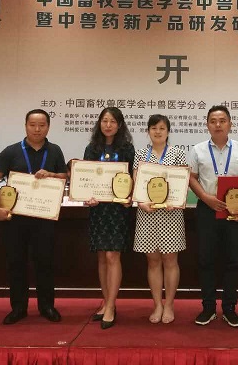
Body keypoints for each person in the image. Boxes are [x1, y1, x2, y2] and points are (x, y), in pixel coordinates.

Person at [0, 109, 67, 324]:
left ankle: (47, 306)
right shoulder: (12, 151)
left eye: (42, 125)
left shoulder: (55, 150)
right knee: (16, 262)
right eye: (32, 125)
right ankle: (18, 307)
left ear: (48, 127)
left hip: (44, 217)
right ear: (25, 126)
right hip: (16, 219)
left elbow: (64, 177)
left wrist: (51, 174)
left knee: (45, 262)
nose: (37, 129)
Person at [188, 105, 238, 327]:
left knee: (232, 260)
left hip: (233, 210)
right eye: (213, 121)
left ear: (230, 124)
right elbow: (192, 177)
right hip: (207, 209)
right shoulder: (198, 150)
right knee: (206, 259)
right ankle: (208, 307)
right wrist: (205, 197)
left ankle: (229, 308)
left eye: (222, 120)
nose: (218, 125)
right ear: (207, 125)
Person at [83, 107, 135, 330]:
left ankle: (112, 306)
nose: (108, 125)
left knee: (113, 255)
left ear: (119, 125)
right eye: (104, 121)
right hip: (98, 209)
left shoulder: (127, 149)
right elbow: (85, 177)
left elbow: (133, 177)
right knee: (102, 256)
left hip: (118, 210)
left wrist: (130, 196)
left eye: (112, 121)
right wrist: (87, 196)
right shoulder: (92, 148)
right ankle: (105, 301)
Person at [133, 114, 187, 324]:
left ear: (168, 131)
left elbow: (181, 183)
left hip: (170, 215)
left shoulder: (177, 154)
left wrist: (176, 200)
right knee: (153, 260)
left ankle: (170, 304)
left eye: (162, 128)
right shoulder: (140, 154)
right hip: (147, 214)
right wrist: (141, 202)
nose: (158, 131)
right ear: (148, 131)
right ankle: (157, 304)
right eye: (154, 128)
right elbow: (137, 183)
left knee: (170, 260)